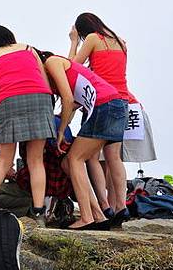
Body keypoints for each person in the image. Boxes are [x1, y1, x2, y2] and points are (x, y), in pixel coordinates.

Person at [68, 12, 155, 220]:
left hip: (101, 101)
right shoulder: (120, 41)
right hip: (123, 101)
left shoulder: (92, 39)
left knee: (88, 156)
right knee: (114, 157)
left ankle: (104, 204)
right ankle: (120, 206)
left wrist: (73, 42)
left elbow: (72, 67)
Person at [41, 51, 128, 229]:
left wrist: (61, 132)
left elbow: (67, 98)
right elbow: (73, 103)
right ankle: (98, 215)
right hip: (115, 106)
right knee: (68, 163)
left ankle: (86, 217)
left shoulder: (52, 61)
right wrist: (62, 122)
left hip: (104, 106)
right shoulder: (68, 68)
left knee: (74, 159)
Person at [0, 26, 56, 225]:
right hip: (40, 97)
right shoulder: (28, 48)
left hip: (9, 100)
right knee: (35, 160)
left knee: (4, 159)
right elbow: (43, 77)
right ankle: (39, 212)